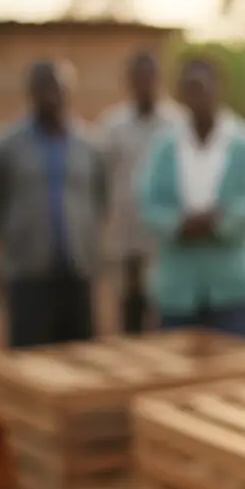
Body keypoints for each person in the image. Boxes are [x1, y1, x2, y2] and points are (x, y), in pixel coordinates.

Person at [137, 57, 245, 341]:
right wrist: (179, 224)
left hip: (234, 289)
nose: (196, 96)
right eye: (189, 88)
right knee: (177, 379)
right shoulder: (164, 146)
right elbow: (149, 203)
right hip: (177, 292)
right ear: (180, 94)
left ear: (218, 89)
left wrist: (216, 223)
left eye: (202, 87)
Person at [0, 60, 109, 350]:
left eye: (58, 87)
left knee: (80, 359)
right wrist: (15, 239)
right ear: (30, 92)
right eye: (43, 87)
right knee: (30, 358)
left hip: (77, 273)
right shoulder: (4, 146)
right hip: (28, 277)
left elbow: (100, 200)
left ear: (69, 91)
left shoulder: (90, 145)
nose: (51, 94)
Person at [96, 51, 183, 335]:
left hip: (164, 241)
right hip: (126, 239)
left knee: (166, 314)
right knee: (130, 316)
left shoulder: (178, 123)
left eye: (150, 77)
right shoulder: (112, 126)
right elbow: (100, 178)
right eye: (139, 78)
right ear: (130, 82)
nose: (145, 84)